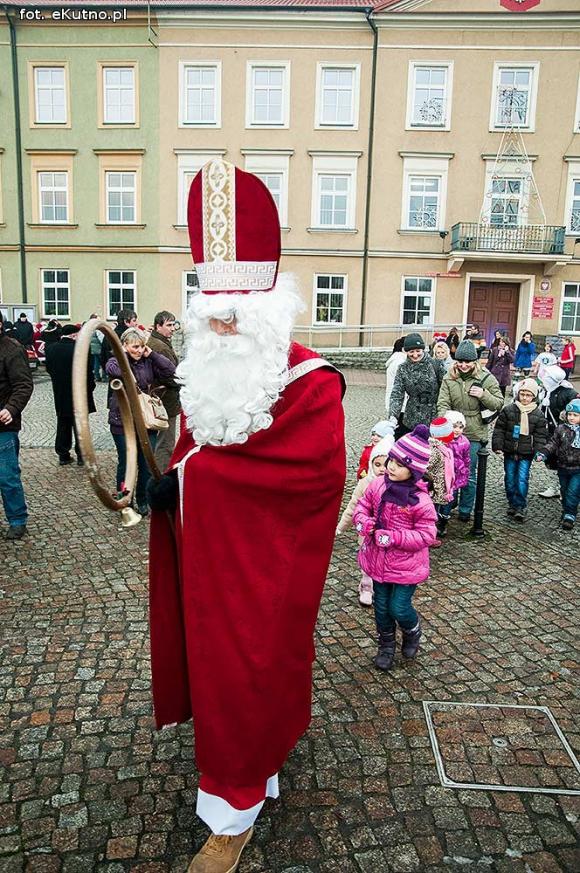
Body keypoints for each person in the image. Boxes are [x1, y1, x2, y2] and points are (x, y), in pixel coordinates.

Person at [146, 158, 346, 871]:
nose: (223, 322)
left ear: (269, 309)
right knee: (228, 677)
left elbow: (314, 475)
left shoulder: (311, 383)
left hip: (270, 569)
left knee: (255, 670)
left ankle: (231, 815)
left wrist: (192, 482)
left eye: (236, 311)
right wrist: (168, 479)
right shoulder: (209, 373)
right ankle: (248, 781)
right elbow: (197, 448)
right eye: (212, 312)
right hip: (211, 562)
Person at [352, 425, 437, 671]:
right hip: (378, 562)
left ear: (413, 471)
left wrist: (393, 537)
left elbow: (426, 534)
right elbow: (362, 507)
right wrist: (364, 523)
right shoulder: (378, 486)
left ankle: (412, 631)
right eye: (391, 461)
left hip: (405, 567)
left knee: (398, 606)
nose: (391, 467)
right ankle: (386, 646)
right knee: (381, 607)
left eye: (400, 465)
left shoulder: (419, 500)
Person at [105, 327, 175, 517]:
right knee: (126, 463)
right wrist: (124, 354)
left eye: (141, 346)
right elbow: (113, 369)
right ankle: (124, 498)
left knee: (146, 462)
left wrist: (151, 354)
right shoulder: (116, 360)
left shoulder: (147, 361)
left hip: (146, 420)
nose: (139, 350)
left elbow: (170, 369)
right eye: (135, 346)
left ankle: (143, 501)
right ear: (125, 346)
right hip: (122, 422)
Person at [437, 340, 504, 522]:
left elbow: (499, 402)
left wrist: (483, 394)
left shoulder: (486, 377)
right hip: (452, 430)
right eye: (460, 361)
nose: (463, 365)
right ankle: (448, 506)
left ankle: (466, 509)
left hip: (475, 431)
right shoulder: (449, 376)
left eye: (467, 362)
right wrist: (448, 421)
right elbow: (442, 402)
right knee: (449, 470)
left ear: (475, 361)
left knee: (468, 471)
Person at [337, 435, 394, 606]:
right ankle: (366, 586)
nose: (382, 469)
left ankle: (384, 587)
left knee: (385, 561)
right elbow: (353, 506)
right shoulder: (364, 484)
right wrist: (341, 526)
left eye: (386, 464)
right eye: (377, 465)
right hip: (367, 534)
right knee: (368, 562)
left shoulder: (398, 485)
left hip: (388, 534)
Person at [492, 379, 547, 522]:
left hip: (526, 453)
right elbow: (499, 429)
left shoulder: (538, 414)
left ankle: (519, 505)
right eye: (522, 394)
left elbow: (540, 436)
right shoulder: (509, 410)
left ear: (534, 397)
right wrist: (498, 446)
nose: (524, 398)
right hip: (510, 451)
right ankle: (511, 501)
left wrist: (539, 451)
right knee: (510, 478)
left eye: (528, 395)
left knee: (522, 479)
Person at [0, 312, 33, 540]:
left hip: (3, 426)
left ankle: (17, 519)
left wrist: (10, 409)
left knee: (7, 476)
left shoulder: (11, 349)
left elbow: (23, 384)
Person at [45, 324, 95, 466]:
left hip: (60, 393)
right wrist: (90, 389)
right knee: (80, 424)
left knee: (63, 424)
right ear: (74, 335)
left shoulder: (51, 349)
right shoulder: (81, 349)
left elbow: (49, 369)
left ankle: (63, 454)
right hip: (79, 393)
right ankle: (81, 456)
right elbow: (88, 373)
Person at [389, 333, 444, 437]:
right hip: (412, 417)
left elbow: (446, 390)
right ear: (406, 351)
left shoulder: (436, 365)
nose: (415, 355)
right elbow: (397, 394)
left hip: (433, 415)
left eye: (418, 351)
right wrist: (393, 416)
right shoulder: (403, 368)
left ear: (423, 350)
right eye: (411, 352)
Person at [536, 399, 580, 530]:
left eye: (575, 415)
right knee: (565, 491)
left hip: (578, 468)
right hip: (563, 467)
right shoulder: (561, 429)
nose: (571, 417)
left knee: (573, 491)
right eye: (570, 414)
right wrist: (544, 452)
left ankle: (570, 515)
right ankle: (567, 509)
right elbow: (553, 443)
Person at [146, 311, 181, 473]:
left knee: (161, 441)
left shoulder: (159, 342)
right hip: (165, 400)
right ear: (158, 326)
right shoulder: (160, 346)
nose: (173, 328)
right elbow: (170, 376)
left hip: (163, 399)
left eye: (173, 324)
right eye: (169, 325)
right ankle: (161, 477)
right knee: (165, 444)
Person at [438, 411, 471, 529]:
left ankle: (443, 520)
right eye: (454, 426)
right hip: (444, 474)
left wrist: (465, 472)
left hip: (457, 475)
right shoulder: (443, 441)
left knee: (451, 498)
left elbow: (466, 458)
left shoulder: (465, 442)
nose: (457, 430)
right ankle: (438, 517)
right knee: (441, 497)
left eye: (460, 427)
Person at [426, 417, 455, 543]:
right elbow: (426, 467)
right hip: (434, 488)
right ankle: (429, 536)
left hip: (439, 487)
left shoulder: (442, 448)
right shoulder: (435, 451)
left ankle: (432, 533)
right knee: (431, 514)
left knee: (435, 511)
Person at [385, 336, 407, 413]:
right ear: (403, 349)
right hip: (401, 406)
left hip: (395, 404)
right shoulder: (400, 363)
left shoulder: (396, 360)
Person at [88, 314, 105, 382]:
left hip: (93, 349)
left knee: (96, 363)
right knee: (102, 362)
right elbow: (101, 339)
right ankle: (104, 377)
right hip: (99, 348)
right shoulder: (98, 329)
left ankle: (96, 376)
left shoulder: (89, 328)